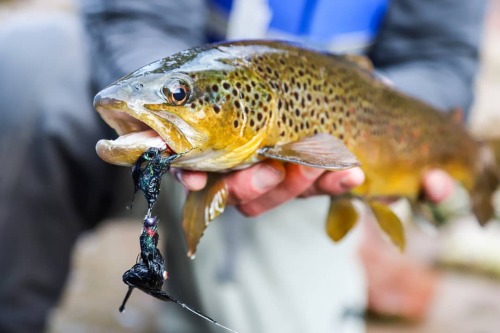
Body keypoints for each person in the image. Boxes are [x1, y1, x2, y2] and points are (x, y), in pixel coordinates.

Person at [0, 0, 485, 332]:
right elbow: (134, 14)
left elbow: (442, 59)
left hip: (320, 152)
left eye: (178, 97)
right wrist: (167, 103)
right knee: (21, 67)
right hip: (174, 93)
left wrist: (399, 120)